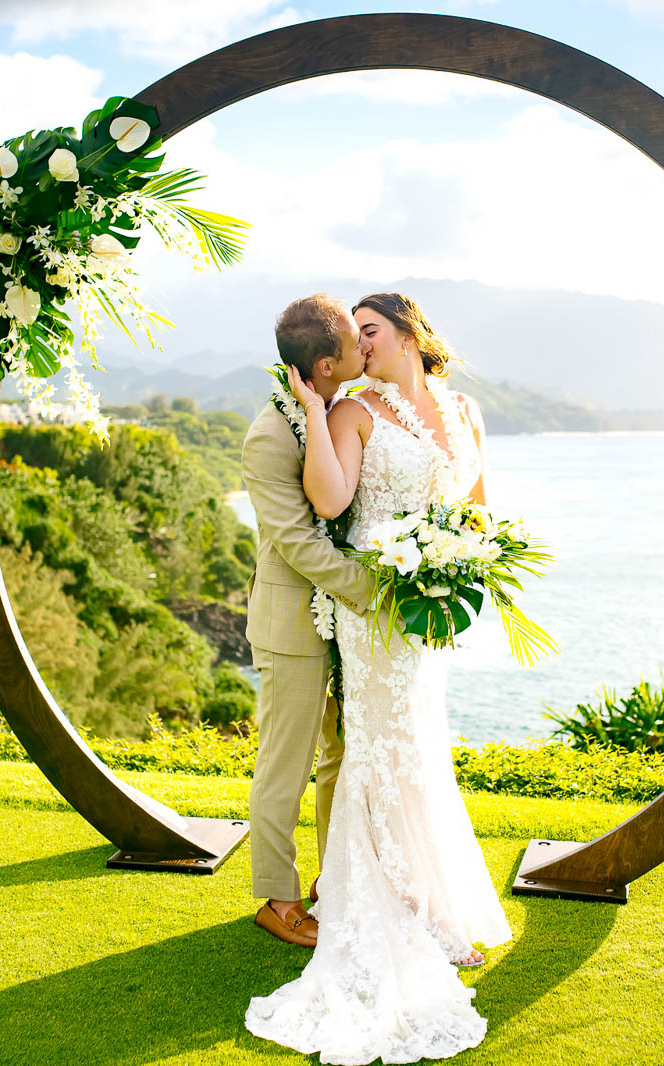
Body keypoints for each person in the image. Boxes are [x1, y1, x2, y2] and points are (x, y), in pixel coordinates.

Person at [245, 293, 512, 1064]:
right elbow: (326, 504)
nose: (362, 344)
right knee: (359, 748)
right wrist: (388, 585)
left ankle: (426, 904)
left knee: (417, 747)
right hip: (368, 606)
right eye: (353, 334)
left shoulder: (463, 408)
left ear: (409, 335)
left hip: (421, 608)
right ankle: (322, 901)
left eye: (372, 330)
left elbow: (477, 510)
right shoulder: (349, 411)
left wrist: (459, 569)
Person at [241, 293, 377, 949]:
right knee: (285, 768)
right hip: (292, 626)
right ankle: (277, 898)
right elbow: (296, 543)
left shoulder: (329, 411)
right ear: (326, 365)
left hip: (339, 626)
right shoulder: (270, 434)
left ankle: (334, 880)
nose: (365, 347)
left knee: (339, 760)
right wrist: (373, 594)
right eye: (356, 341)